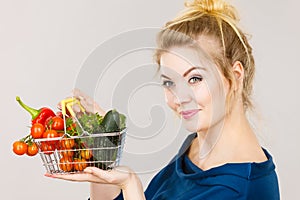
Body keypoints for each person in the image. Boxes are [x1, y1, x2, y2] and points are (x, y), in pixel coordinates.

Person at [47, 0, 280, 199]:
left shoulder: (238, 189)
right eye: (170, 82)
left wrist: (131, 186)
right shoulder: (196, 147)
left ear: (235, 76)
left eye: (195, 78)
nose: (179, 98)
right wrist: (100, 154)